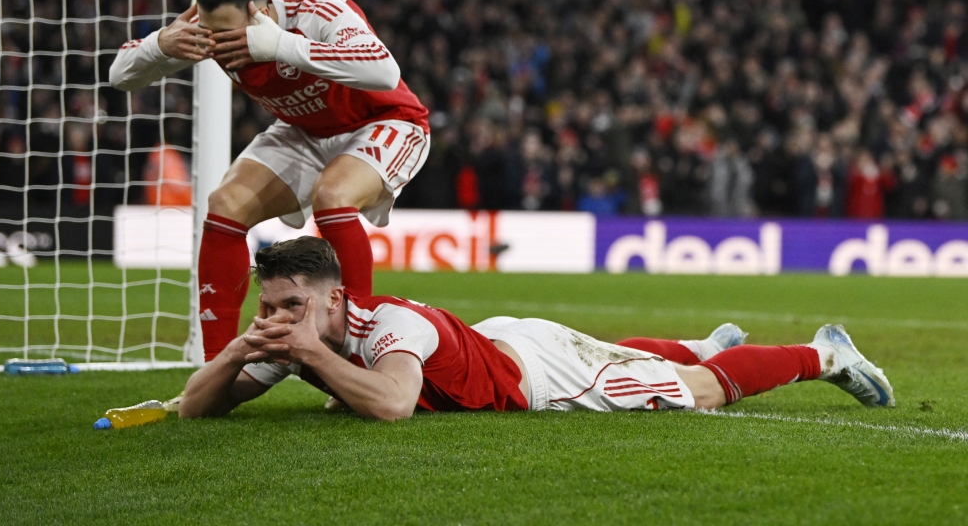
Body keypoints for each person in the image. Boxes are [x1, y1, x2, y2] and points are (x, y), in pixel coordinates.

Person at [178, 236, 895, 420]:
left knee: (695, 393)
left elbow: (393, 404)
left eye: (291, 307)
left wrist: (311, 358)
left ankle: (820, 355)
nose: (277, 321)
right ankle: (706, 340)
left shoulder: (389, 326)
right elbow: (196, 406)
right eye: (267, 308)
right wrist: (241, 348)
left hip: (535, 373)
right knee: (617, 354)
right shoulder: (300, 332)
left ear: (335, 301)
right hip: (498, 340)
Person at [110, 0, 430, 360]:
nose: (215, 43)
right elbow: (120, 75)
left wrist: (281, 44)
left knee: (332, 195)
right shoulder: (209, 27)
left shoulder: (316, 9)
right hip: (305, 129)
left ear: (257, 12)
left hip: (384, 120)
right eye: (208, 31)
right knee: (224, 205)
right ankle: (216, 369)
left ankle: (357, 360)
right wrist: (160, 45)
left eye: (225, 33)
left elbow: (384, 71)